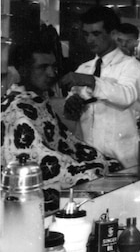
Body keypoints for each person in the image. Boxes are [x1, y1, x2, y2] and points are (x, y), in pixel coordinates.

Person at [2, 41, 121, 195]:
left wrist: (100, 162)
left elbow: (67, 143)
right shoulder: (15, 109)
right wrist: (87, 171)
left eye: (53, 67)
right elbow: (38, 158)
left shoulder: (36, 102)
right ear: (23, 70)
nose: (52, 73)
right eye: (43, 67)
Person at [60, 6, 140, 168]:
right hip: (88, 157)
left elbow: (126, 96)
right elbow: (70, 114)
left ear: (113, 34)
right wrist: (71, 105)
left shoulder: (131, 66)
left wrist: (91, 81)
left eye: (96, 34)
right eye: (86, 34)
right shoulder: (84, 68)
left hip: (123, 157)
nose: (90, 40)